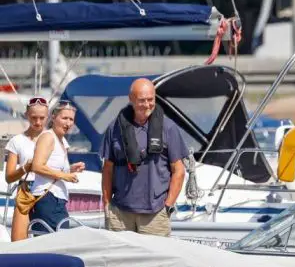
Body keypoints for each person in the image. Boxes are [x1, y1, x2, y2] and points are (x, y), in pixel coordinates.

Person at [101, 78, 188, 237]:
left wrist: (168, 206)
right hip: (120, 214)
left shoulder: (168, 128)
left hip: (154, 215)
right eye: (142, 100)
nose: (147, 105)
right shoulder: (114, 128)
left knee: (156, 261)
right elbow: (107, 169)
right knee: (119, 260)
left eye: (151, 99)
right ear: (131, 100)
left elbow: (179, 171)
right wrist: (107, 205)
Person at [30, 101, 85, 233]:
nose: (68, 123)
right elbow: (37, 166)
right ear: (53, 117)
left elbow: (52, 167)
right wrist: (65, 175)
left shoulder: (61, 141)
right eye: (64, 118)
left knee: (60, 242)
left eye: (71, 119)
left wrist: (71, 169)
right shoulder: (48, 137)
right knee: (50, 244)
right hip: (47, 198)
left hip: (57, 200)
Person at [5, 97, 49, 241]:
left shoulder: (55, 138)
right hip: (25, 190)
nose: (38, 122)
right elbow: (9, 177)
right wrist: (25, 168)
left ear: (48, 117)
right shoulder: (16, 141)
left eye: (42, 118)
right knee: (18, 242)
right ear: (26, 116)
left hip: (47, 190)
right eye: (33, 117)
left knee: (48, 241)